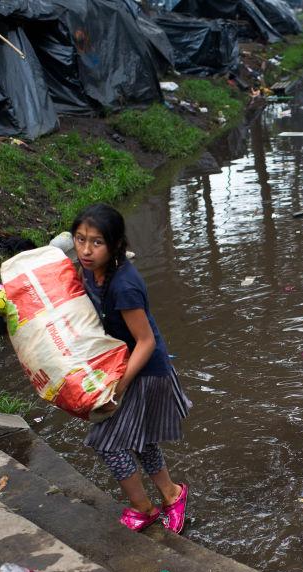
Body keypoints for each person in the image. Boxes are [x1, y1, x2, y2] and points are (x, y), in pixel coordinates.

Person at [71, 203, 192, 534]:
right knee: (141, 440)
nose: (85, 249)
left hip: (144, 371)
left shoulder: (124, 284)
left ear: (114, 244)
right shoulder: (88, 270)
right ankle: (171, 494)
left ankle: (145, 508)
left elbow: (146, 340)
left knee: (108, 443)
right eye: (80, 239)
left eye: (96, 242)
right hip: (119, 366)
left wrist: (120, 386)